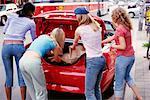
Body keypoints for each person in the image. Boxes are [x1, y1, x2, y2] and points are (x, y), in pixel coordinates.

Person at [102, 7, 142, 100]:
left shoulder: (119, 29)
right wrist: (102, 41)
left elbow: (122, 46)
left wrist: (112, 46)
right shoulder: (126, 26)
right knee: (127, 77)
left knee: (119, 82)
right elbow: (113, 37)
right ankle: (139, 97)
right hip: (131, 56)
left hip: (123, 58)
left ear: (115, 17)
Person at [1, 2, 36, 100]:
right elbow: (34, 39)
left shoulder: (11, 16)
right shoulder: (31, 22)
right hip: (18, 47)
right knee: (21, 76)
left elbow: (4, 31)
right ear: (30, 12)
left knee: (8, 76)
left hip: (6, 47)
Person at [19, 28, 65, 100]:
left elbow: (47, 52)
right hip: (33, 62)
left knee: (32, 88)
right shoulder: (54, 43)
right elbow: (57, 60)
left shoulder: (43, 37)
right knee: (41, 91)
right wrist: (62, 59)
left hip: (22, 60)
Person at [70, 7, 106, 100]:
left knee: (89, 92)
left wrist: (72, 47)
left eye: (76, 16)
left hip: (93, 61)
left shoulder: (79, 29)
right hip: (101, 59)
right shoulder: (96, 27)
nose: (75, 17)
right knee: (96, 88)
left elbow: (75, 44)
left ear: (80, 16)